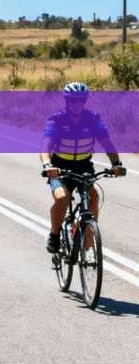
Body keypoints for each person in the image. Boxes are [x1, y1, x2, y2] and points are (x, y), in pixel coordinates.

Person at [42, 82, 126, 253]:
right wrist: (47, 165)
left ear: (85, 101)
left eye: (81, 100)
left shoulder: (93, 119)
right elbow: (46, 146)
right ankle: (54, 234)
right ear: (67, 101)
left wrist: (116, 164)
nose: (77, 104)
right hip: (59, 167)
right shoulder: (56, 119)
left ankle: (89, 240)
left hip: (83, 166)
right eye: (73, 100)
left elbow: (107, 143)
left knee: (93, 196)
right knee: (62, 198)